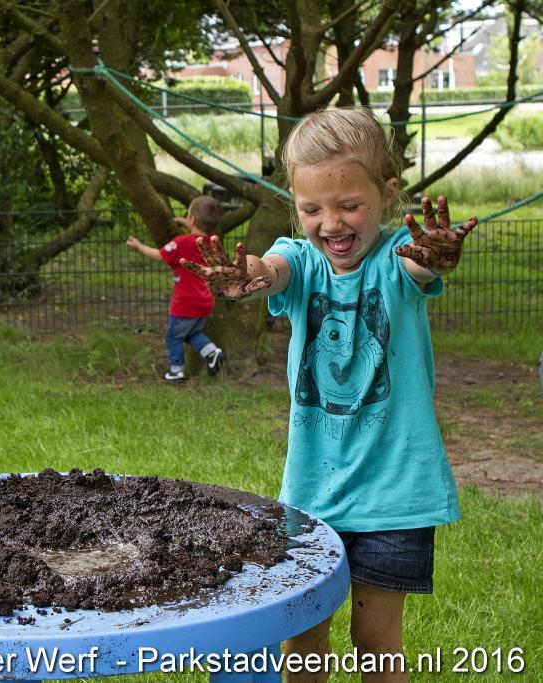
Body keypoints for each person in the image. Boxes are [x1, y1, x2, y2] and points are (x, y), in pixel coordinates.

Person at [182, 107, 477, 682]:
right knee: (303, 636)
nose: (331, 224)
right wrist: (246, 276)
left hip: (395, 496)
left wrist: (436, 256)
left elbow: (421, 269)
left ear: (387, 193)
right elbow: (270, 270)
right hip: (311, 494)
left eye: (349, 205)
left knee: (376, 641)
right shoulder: (301, 259)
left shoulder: (398, 257)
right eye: (312, 209)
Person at [126, 195, 226, 381]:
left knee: (173, 336)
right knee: (191, 333)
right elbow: (198, 233)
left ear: (192, 219)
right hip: (205, 301)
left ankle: (176, 371)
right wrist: (185, 221)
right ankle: (212, 353)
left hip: (185, 302)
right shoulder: (212, 244)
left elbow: (159, 255)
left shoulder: (182, 242)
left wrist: (139, 246)